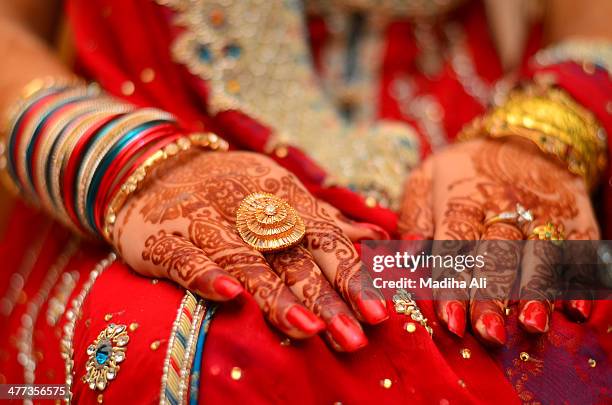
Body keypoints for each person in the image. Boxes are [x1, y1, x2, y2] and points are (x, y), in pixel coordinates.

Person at [0, 0, 610, 403]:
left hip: (473, 148)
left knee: (569, 302)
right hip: (147, 142)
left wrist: (542, 136)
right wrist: (118, 159)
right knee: (238, 353)